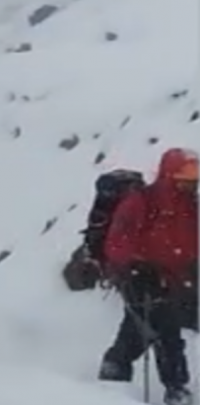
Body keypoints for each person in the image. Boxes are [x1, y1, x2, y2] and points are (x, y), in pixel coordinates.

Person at [98, 148, 197, 405]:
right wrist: (136, 267)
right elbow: (116, 242)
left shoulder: (190, 206)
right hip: (138, 276)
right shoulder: (141, 201)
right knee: (167, 329)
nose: (191, 182)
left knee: (142, 327)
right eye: (185, 175)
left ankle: (115, 367)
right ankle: (177, 389)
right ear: (169, 174)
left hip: (171, 277)